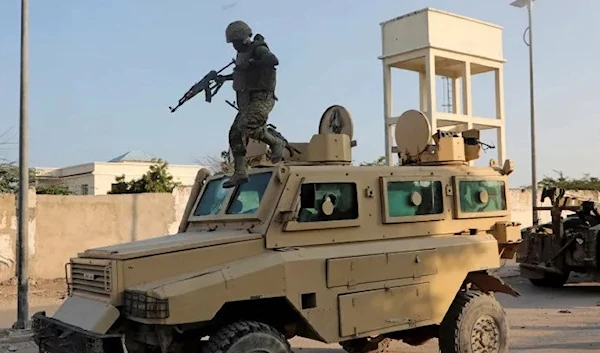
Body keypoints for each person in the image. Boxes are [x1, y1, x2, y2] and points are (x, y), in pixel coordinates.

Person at [216, 20, 284, 188]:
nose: (234, 46)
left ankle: (275, 142)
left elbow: (273, 60)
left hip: (262, 99)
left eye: (236, 42)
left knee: (247, 125)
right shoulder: (242, 54)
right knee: (234, 133)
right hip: (247, 102)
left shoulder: (258, 49)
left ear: (245, 38)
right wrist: (224, 78)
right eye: (232, 43)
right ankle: (240, 173)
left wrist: (253, 64)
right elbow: (243, 74)